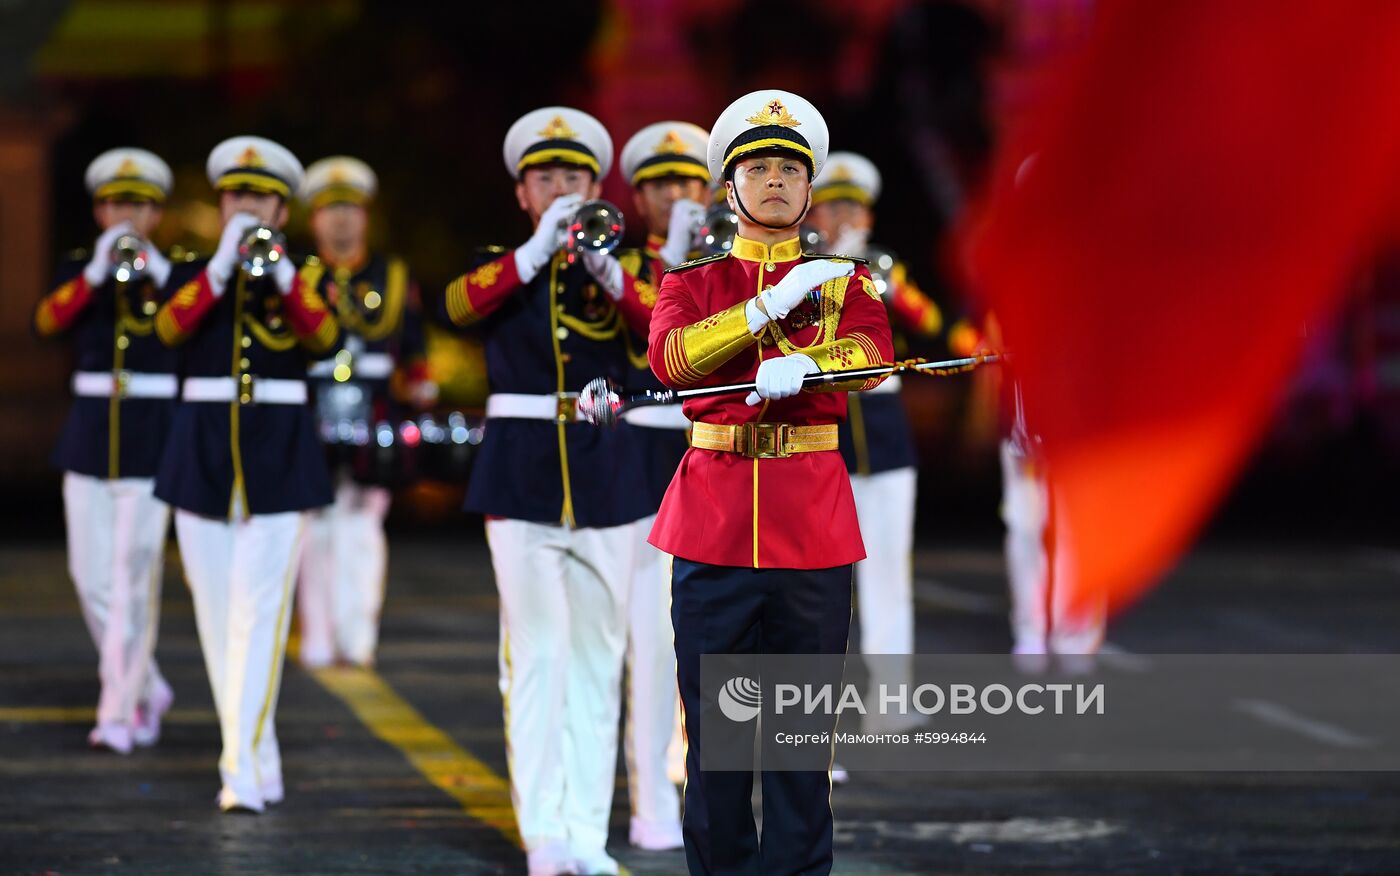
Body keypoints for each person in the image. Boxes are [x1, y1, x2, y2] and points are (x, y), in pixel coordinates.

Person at [646, 89, 894, 876]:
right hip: (714, 527)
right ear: (730, 188)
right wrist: (765, 309)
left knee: (799, 748)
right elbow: (673, 360)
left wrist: (811, 362)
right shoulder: (689, 283)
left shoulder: (847, 284)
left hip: (811, 530)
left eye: (792, 167)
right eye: (759, 168)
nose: (777, 180)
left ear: (810, 188)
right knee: (716, 748)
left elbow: (872, 359)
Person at [440, 107, 649, 876]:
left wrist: (610, 274)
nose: (560, 189)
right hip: (523, 472)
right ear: (522, 194)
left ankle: (587, 837)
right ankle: (545, 836)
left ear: (599, 188)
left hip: (607, 475)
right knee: (536, 658)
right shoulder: (505, 262)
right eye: (545, 178)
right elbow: (456, 307)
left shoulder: (626, 263)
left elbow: (671, 333)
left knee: (600, 657)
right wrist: (533, 255)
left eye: (575, 178)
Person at [154, 135, 339, 813]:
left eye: (260, 197)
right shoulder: (194, 270)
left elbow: (327, 339)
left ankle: (238, 768)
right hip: (200, 456)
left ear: (282, 212)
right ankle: (256, 759)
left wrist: (282, 275)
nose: (246, 206)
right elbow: (168, 330)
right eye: (237, 195)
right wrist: (221, 269)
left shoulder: (306, 273)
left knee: (259, 615)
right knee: (216, 618)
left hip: (281, 457)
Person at [33, 147, 179, 754]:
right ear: (99, 211)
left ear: (155, 213)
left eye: (138, 204)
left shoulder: (177, 274)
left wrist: (158, 269)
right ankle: (147, 685)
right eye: (117, 203)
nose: (126, 215)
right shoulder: (80, 269)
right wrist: (96, 272)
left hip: (150, 436)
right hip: (90, 434)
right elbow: (46, 323)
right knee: (88, 575)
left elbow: (190, 321)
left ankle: (119, 713)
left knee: (131, 578)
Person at [601, 120, 714, 851]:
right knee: (649, 637)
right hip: (643, 458)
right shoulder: (611, 259)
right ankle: (651, 803)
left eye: (689, 183)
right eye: (662, 185)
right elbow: (650, 334)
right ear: (638, 196)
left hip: (725, 456)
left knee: (730, 634)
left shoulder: (737, 261)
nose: (677, 196)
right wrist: (674, 262)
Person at [806, 151, 945, 733]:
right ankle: (820, 705)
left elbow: (930, 323)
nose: (845, 216)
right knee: (819, 580)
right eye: (835, 205)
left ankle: (893, 699)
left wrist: (873, 274)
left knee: (888, 572)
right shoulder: (802, 271)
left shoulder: (884, 268)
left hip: (883, 434)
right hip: (824, 432)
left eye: (853, 207)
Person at [296, 155, 433, 669]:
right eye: (330, 209)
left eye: (350, 208)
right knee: (314, 525)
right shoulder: (298, 276)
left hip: (373, 406)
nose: (340, 219)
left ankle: (358, 635)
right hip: (313, 408)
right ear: (313, 219)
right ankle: (317, 635)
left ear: (365, 216)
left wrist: (420, 380)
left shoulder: (391, 275)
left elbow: (412, 342)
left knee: (364, 525)